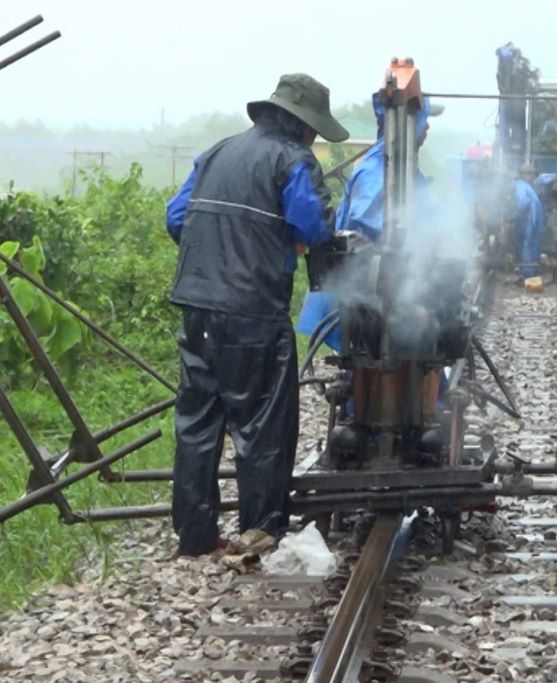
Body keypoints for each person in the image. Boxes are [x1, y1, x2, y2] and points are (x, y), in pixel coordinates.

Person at [164, 73, 348, 557]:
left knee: (199, 420)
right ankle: (261, 529)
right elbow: (312, 225)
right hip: (252, 310)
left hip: (197, 305)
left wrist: (218, 256)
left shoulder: (218, 152)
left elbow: (176, 217)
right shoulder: (293, 160)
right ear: (303, 126)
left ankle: (195, 534)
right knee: (263, 418)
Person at [295, 93, 442, 349]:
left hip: (379, 291)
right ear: (411, 123)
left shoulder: (404, 167)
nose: (428, 127)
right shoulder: (379, 170)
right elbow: (368, 231)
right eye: (425, 120)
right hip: (361, 295)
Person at [513, 163, 544, 280]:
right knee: (531, 244)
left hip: (531, 218)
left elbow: (522, 203)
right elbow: (524, 202)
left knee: (528, 243)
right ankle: (532, 269)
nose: (532, 177)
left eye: (532, 174)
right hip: (532, 218)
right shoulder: (522, 186)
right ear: (523, 175)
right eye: (529, 174)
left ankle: (528, 272)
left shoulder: (522, 186)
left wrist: (514, 214)